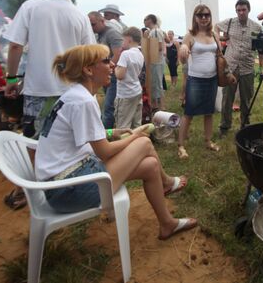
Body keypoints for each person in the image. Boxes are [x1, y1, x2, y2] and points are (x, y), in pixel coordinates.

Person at [34, 44, 197, 239]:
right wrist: (134, 136)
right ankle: (167, 183)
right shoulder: (83, 100)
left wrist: (112, 132)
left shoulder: (77, 95)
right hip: (68, 190)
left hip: (65, 182)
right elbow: (104, 152)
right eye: (105, 61)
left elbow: (82, 135)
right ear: (88, 69)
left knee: (151, 165)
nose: (112, 65)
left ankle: (167, 223)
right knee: (144, 143)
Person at [3, 0, 95, 210]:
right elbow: (90, 55)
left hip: (39, 88)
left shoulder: (31, 7)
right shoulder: (79, 15)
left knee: (34, 139)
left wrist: (11, 80)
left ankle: (26, 189)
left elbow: (15, 46)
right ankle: (66, 184)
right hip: (72, 90)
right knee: (70, 141)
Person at [177, 4, 233, 159]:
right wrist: (183, 51)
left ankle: (208, 141)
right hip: (195, 80)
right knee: (189, 113)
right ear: (195, 18)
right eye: (200, 15)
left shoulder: (214, 34)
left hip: (212, 79)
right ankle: (181, 146)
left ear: (210, 17)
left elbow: (220, 55)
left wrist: (226, 72)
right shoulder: (190, 35)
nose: (203, 18)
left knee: (209, 112)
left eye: (206, 15)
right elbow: (183, 56)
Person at [215, 0, 263, 135]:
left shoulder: (256, 27)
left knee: (246, 99)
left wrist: (260, 67)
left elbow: (261, 50)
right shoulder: (230, 22)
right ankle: (224, 127)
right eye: (238, 10)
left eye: (243, 10)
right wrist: (218, 39)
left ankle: (245, 126)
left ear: (249, 10)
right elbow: (216, 26)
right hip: (230, 67)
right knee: (227, 99)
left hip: (247, 67)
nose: (241, 12)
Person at [88, 11, 124, 129]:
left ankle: (104, 137)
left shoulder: (112, 33)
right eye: (89, 25)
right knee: (108, 106)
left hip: (113, 75)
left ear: (102, 21)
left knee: (108, 107)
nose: (91, 27)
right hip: (107, 74)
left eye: (93, 24)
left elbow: (118, 54)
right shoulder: (99, 35)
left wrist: (107, 69)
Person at [114, 27, 144, 129]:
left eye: (123, 40)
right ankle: (139, 141)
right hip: (136, 90)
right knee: (136, 122)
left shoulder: (125, 54)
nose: (122, 43)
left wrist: (115, 68)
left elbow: (120, 76)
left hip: (125, 94)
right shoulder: (140, 54)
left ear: (129, 40)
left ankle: (124, 144)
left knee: (123, 125)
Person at [143, 14, 169, 111]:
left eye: (145, 19)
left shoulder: (156, 31)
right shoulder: (152, 31)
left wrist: (147, 50)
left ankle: (161, 106)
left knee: (157, 83)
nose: (144, 21)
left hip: (156, 60)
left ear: (150, 20)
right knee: (154, 83)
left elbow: (159, 47)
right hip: (154, 60)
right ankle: (155, 105)